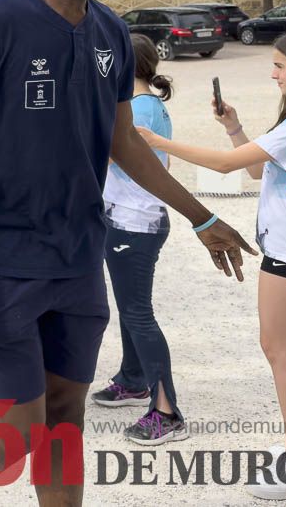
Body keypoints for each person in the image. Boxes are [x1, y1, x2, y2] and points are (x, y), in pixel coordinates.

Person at [0, 0, 254, 506]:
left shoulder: (109, 32)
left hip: (80, 255)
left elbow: (125, 143)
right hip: (0, 259)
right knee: (22, 425)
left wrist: (201, 215)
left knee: (65, 418)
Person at [138, 27, 286, 498]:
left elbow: (225, 166)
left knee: (281, 350)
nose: (273, 73)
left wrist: (156, 139)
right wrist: (233, 125)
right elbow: (258, 168)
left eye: (280, 65)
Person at [90, 33, 187, 446]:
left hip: (135, 223)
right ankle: (132, 379)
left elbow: (108, 153)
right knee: (130, 309)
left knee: (138, 313)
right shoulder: (147, 104)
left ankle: (167, 411)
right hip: (128, 220)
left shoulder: (140, 109)